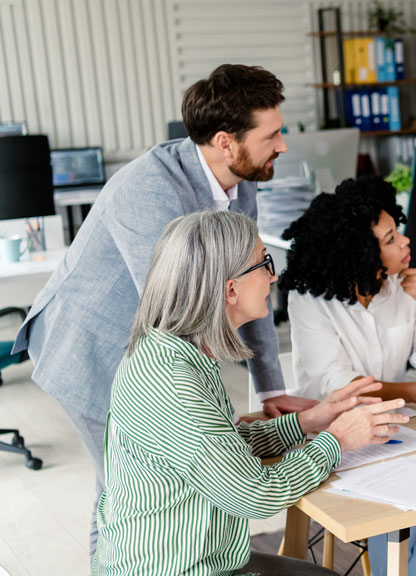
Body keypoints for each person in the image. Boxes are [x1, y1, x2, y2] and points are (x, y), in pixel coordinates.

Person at [12, 64, 316, 554]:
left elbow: (250, 274)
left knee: (143, 491)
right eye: (272, 135)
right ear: (226, 142)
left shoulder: (244, 176)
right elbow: (178, 313)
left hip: (144, 341)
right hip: (91, 346)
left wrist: (270, 390)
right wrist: (213, 414)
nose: (282, 145)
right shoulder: (150, 189)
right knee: (122, 494)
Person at [92, 211, 408, 575]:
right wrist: (336, 440)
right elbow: (255, 495)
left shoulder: (175, 353)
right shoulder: (176, 383)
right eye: (264, 264)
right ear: (230, 289)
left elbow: (223, 446)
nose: (273, 276)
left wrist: (308, 421)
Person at [277, 176, 416, 576]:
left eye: (398, 231)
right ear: (361, 252)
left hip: (396, 429)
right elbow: (342, 388)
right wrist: (411, 392)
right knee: (396, 496)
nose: (406, 241)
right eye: (391, 239)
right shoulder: (309, 300)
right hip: (332, 437)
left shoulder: (404, 286)